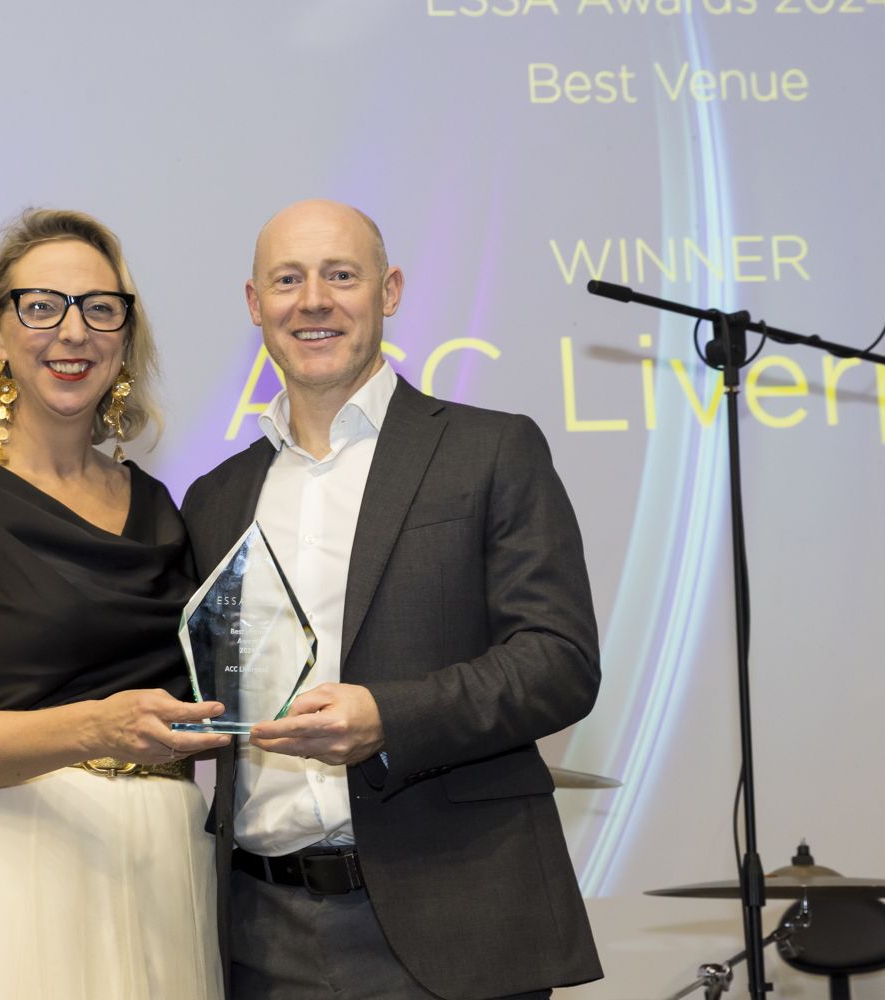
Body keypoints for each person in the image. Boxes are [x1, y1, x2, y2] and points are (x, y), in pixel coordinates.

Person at [181, 200, 604, 999]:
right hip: (259, 935)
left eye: (340, 275)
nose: (313, 301)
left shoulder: (490, 450)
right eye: (287, 280)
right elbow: (192, 682)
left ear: (390, 290)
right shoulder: (214, 498)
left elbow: (558, 662)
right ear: (254, 304)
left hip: (456, 918)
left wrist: (388, 717)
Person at [0, 209, 231, 1000]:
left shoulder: (163, 508)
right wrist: (94, 728)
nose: (72, 332)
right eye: (40, 306)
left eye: (99, 309)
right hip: (3, 864)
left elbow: (214, 702)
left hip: (160, 870)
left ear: (124, 340)